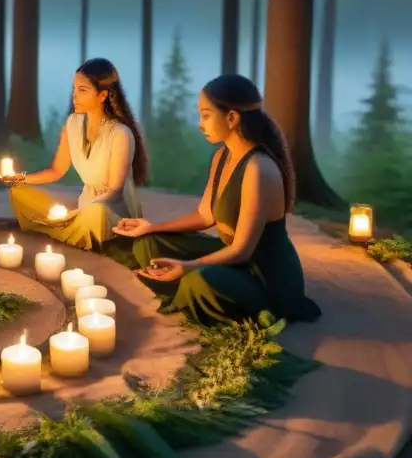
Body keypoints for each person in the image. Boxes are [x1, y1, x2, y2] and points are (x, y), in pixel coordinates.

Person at [112, 74, 322, 327]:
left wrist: (188, 266)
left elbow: (242, 251)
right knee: (148, 244)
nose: (200, 124)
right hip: (230, 258)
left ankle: (186, 286)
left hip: (262, 275)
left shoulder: (259, 168)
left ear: (232, 118)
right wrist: (151, 227)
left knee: (197, 280)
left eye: (206, 115)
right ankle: (181, 283)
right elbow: (204, 216)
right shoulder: (222, 155)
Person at [8, 58, 148, 253]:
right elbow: (57, 170)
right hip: (84, 210)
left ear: (102, 95)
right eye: (74, 89)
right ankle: (71, 229)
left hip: (109, 212)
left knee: (95, 212)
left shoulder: (120, 133)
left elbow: (115, 190)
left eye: (83, 90)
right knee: (19, 192)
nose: (75, 96)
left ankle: (72, 231)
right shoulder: (72, 124)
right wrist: (22, 178)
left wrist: (82, 213)